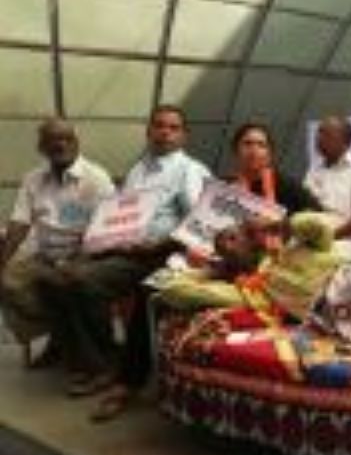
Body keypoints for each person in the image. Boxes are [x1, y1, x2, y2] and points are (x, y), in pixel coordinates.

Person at [59, 106, 211, 417]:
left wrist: (157, 245)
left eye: (173, 127)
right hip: (130, 253)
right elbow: (120, 214)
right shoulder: (138, 169)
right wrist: (103, 239)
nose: (165, 132)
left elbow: (198, 222)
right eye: (159, 126)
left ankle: (126, 380)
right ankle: (101, 364)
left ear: (184, 135)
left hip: (169, 255)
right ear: (149, 131)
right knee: (75, 277)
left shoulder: (189, 170)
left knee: (144, 290)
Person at [0, 119, 115, 366]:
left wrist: (77, 260)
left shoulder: (96, 178)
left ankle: (76, 352)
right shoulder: (33, 179)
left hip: (86, 255)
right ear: (42, 146)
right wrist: (3, 261)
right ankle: (59, 337)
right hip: (45, 256)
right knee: (8, 282)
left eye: (66, 138)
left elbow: (105, 229)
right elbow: (19, 223)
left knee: (67, 285)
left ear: (77, 143)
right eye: (53, 139)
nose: (60, 144)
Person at [304, 116, 351, 240]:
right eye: (318, 133)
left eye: (326, 134)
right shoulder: (314, 169)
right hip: (316, 242)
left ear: (347, 142)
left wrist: (330, 237)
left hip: (348, 247)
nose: (318, 139)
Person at [229, 122, 320, 214]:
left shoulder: (288, 186)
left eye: (261, 145)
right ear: (236, 150)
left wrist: (282, 223)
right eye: (247, 144)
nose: (254, 150)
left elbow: (321, 216)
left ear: (269, 155)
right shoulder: (226, 188)